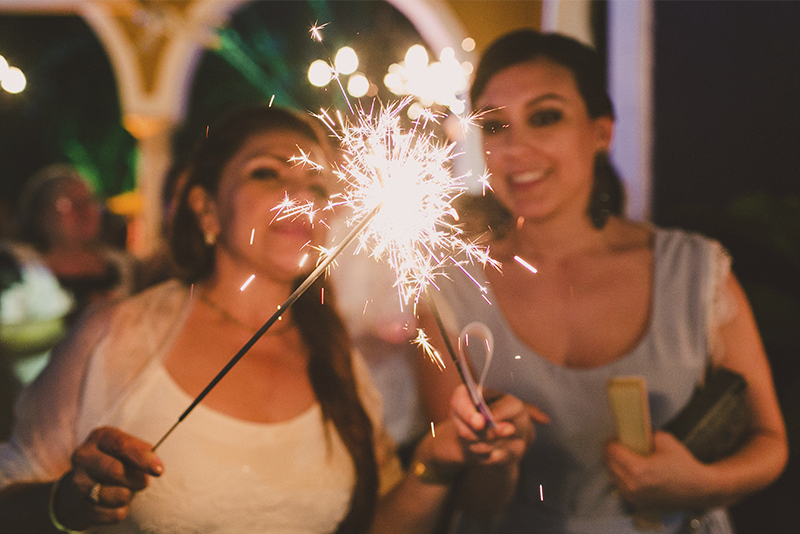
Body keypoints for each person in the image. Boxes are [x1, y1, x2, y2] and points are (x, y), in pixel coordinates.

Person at [0, 104, 535, 534]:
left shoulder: (334, 354)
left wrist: (434, 463)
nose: (301, 196)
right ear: (206, 208)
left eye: (318, 186)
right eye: (267, 173)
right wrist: (66, 502)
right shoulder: (118, 333)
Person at [417, 29, 788, 534]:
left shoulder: (696, 272)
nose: (516, 147)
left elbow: (769, 440)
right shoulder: (449, 289)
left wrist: (701, 483)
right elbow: (471, 499)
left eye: (545, 117)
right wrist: (493, 460)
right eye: (496, 125)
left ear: (601, 131)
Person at [14, 164, 137, 326]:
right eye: (68, 204)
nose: (84, 211)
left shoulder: (124, 268)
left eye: (89, 200)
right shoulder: (21, 272)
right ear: (40, 216)